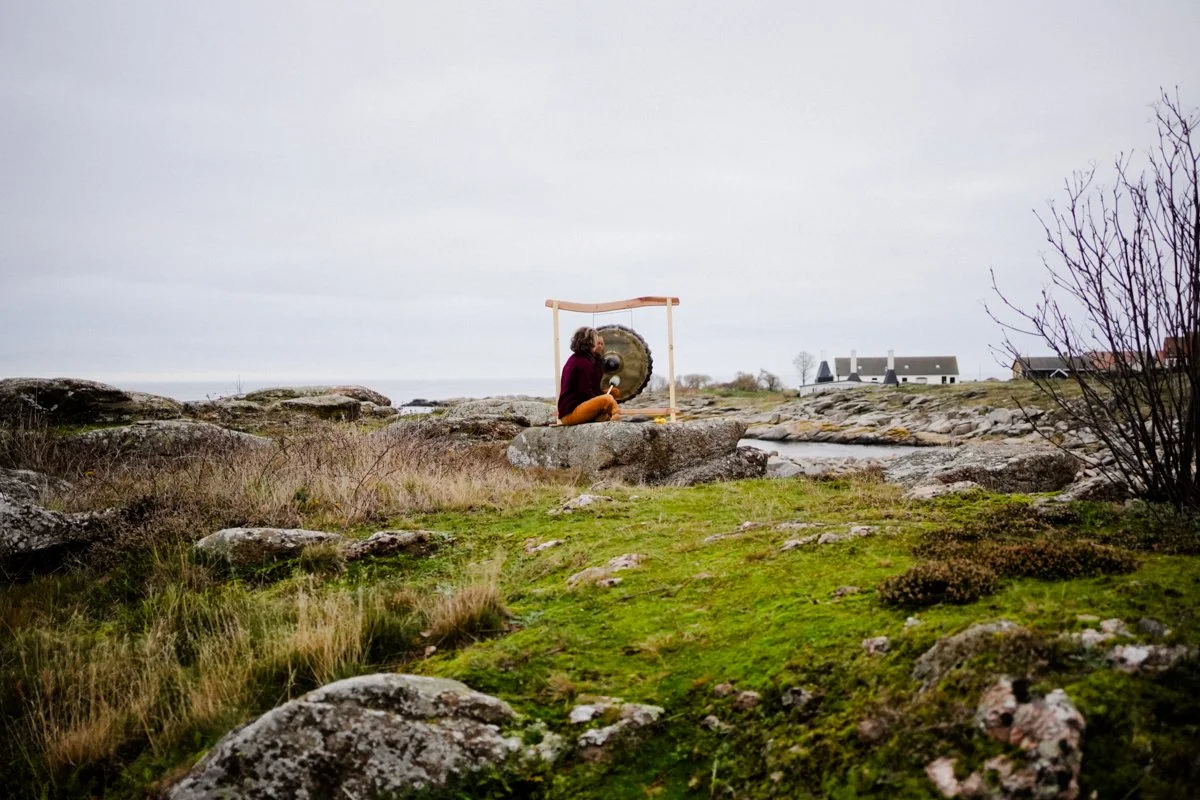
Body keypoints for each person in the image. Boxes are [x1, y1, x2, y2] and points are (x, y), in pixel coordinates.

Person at [557, 326, 621, 425]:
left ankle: (603, 417)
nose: (597, 344)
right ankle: (616, 419)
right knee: (607, 399)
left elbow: (588, 391)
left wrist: (605, 392)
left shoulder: (577, 359)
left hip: (572, 411)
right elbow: (585, 393)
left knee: (609, 399)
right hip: (571, 413)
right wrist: (604, 397)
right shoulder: (583, 363)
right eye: (596, 340)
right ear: (589, 342)